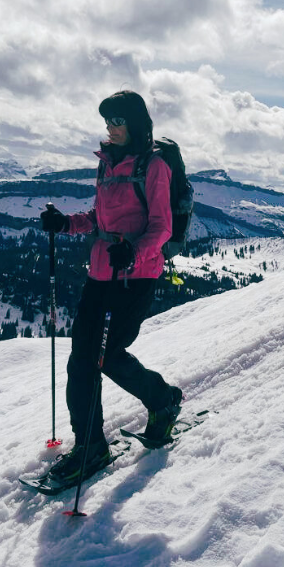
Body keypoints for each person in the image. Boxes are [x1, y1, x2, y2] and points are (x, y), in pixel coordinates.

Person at [38, 91, 184, 486]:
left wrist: (133, 253)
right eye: (107, 121)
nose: (111, 128)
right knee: (80, 361)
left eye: (118, 121)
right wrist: (66, 224)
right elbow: (98, 218)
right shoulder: (107, 164)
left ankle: (162, 399)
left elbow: (162, 227)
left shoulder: (153, 166)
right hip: (101, 273)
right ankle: (90, 445)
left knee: (108, 355)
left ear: (135, 122)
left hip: (136, 276)